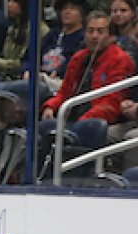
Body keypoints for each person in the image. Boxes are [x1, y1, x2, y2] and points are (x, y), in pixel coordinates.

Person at [41, 11, 135, 153]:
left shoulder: (120, 60)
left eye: (100, 31)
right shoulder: (79, 57)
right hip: (72, 115)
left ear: (110, 36)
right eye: (90, 31)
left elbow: (111, 104)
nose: (94, 36)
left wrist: (83, 121)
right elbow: (64, 92)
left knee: (83, 131)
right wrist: (50, 107)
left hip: (96, 119)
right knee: (43, 127)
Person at [0, 0, 87, 104]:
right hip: (30, 78)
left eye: (72, 9)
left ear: (81, 15)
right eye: (64, 8)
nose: (67, 12)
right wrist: (27, 70)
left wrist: (48, 76)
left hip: (52, 86)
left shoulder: (82, 40)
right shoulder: (53, 34)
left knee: (19, 89)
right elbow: (28, 57)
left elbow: (73, 69)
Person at [0, 0, 50, 84]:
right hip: (4, 75)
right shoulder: (12, 28)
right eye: (9, 1)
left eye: (14, 2)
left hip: (21, 78)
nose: (9, 5)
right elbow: (5, 56)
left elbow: (25, 63)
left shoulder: (38, 29)